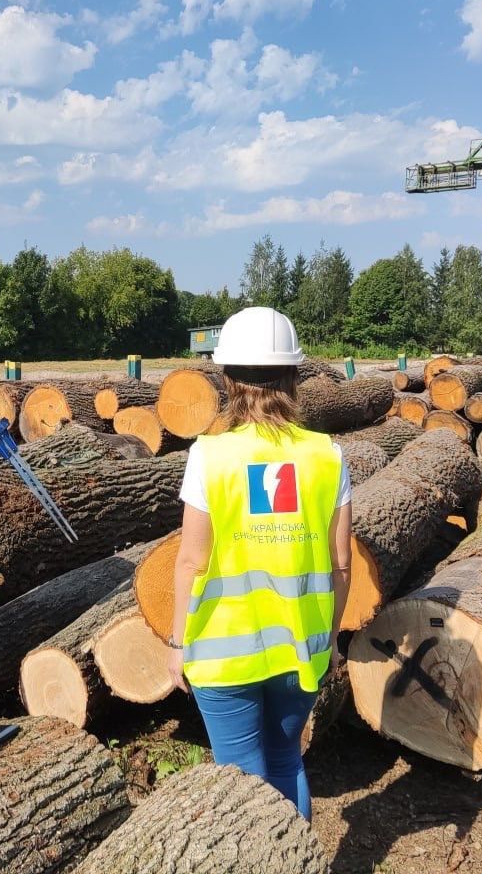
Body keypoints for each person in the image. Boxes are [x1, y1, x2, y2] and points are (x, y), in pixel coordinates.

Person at [165, 306, 352, 820]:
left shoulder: (209, 456)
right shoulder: (328, 456)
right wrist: (331, 638)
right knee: (286, 760)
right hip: (300, 647)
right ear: (293, 377)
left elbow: (189, 562)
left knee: (240, 781)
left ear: (227, 379)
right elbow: (341, 565)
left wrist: (179, 642)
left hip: (224, 653)